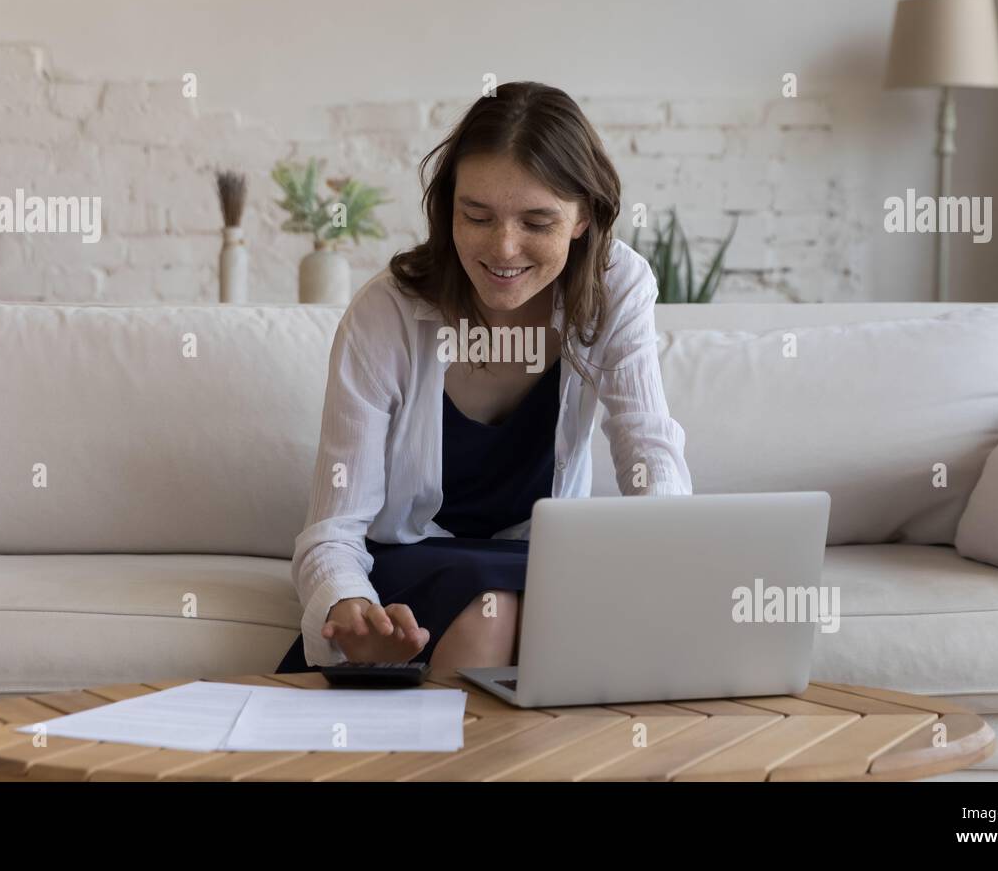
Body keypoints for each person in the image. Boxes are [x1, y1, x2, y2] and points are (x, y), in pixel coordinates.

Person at [275, 80, 693, 674]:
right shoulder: (386, 314)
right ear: (448, 209)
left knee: (529, 603)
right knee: (493, 607)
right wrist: (352, 611)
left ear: (583, 220)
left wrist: (677, 561)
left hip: (543, 565)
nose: (503, 249)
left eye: (537, 222)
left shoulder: (616, 286)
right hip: (410, 567)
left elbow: (647, 446)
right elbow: (333, 529)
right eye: (477, 216)